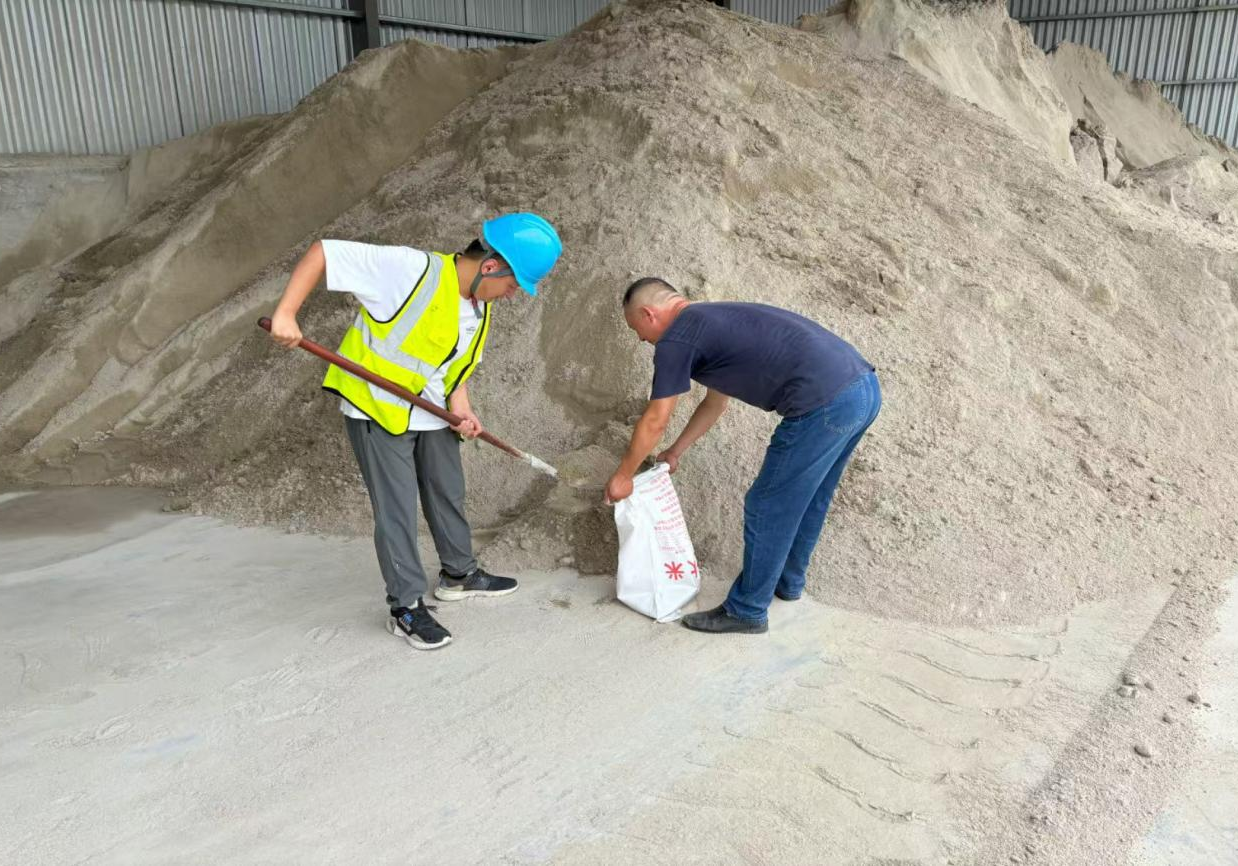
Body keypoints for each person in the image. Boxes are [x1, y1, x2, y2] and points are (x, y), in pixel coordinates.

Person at [268, 213, 562, 650]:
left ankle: (458, 575)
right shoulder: (410, 271)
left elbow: (452, 365)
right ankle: (405, 605)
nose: (513, 293)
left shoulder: (478, 304)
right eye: (514, 283)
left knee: (447, 489)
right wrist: (286, 313)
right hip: (377, 408)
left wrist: (461, 407)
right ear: (489, 266)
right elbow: (324, 252)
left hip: (430, 410)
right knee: (397, 509)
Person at [605, 278, 880, 635]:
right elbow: (715, 403)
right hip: (862, 389)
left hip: (824, 401)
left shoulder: (677, 338)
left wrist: (623, 476)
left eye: (636, 330)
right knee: (810, 497)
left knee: (767, 504)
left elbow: (656, 419)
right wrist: (675, 451)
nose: (641, 340)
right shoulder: (712, 322)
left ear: (648, 314)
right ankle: (787, 583)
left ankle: (747, 610)